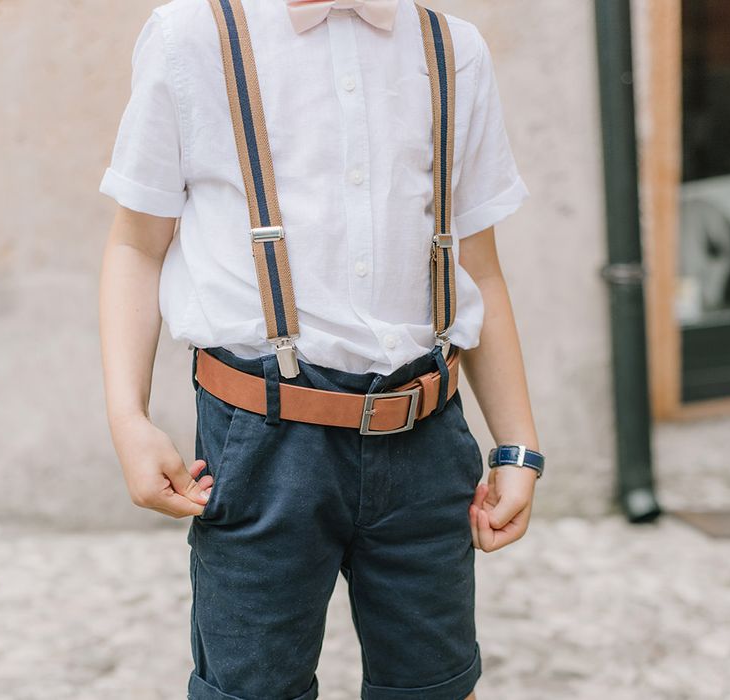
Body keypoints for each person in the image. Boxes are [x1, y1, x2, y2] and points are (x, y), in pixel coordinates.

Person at [98, 1, 543, 698]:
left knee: (433, 686)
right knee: (252, 687)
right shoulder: (194, 37)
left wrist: (517, 445)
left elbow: (477, 265)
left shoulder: (452, 49)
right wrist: (128, 415)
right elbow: (136, 242)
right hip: (264, 442)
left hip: (425, 438)